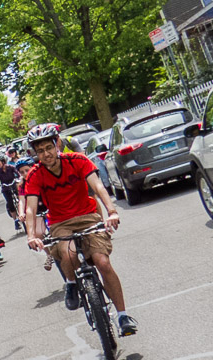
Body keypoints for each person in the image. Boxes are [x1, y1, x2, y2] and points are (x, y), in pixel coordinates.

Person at [23, 123, 138, 336]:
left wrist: (111, 211)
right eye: (40, 151)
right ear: (35, 153)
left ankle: (123, 316)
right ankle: (71, 281)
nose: (46, 154)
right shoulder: (34, 175)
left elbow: (98, 187)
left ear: (57, 143)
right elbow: (30, 209)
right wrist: (31, 235)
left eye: (49, 147)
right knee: (68, 255)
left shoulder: (77, 160)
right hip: (60, 223)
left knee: (102, 262)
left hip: (88, 216)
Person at [0, 156, 21, 231]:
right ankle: (15, 220)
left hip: (13, 184)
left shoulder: (10, 167)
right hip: (6, 188)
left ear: (3, 161)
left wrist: (20, 178)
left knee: (21, 198)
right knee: (10, 204)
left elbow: (18, 173)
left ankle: (22, 212)